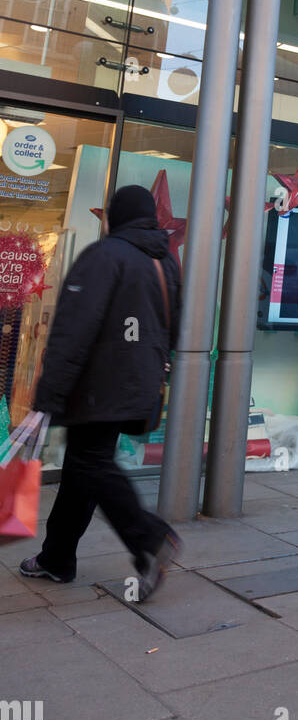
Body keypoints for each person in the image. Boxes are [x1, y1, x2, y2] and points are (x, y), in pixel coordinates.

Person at [19, 185, 182, 602]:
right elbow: (173, 330)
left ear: (113, 217)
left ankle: (149, 537)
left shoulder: (104, 256)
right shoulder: (165, 263)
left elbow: (73, 333)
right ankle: (57, 557)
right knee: (83, 466)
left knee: (90, 462)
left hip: (97, 386)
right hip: (137, 382)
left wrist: (47, 396)